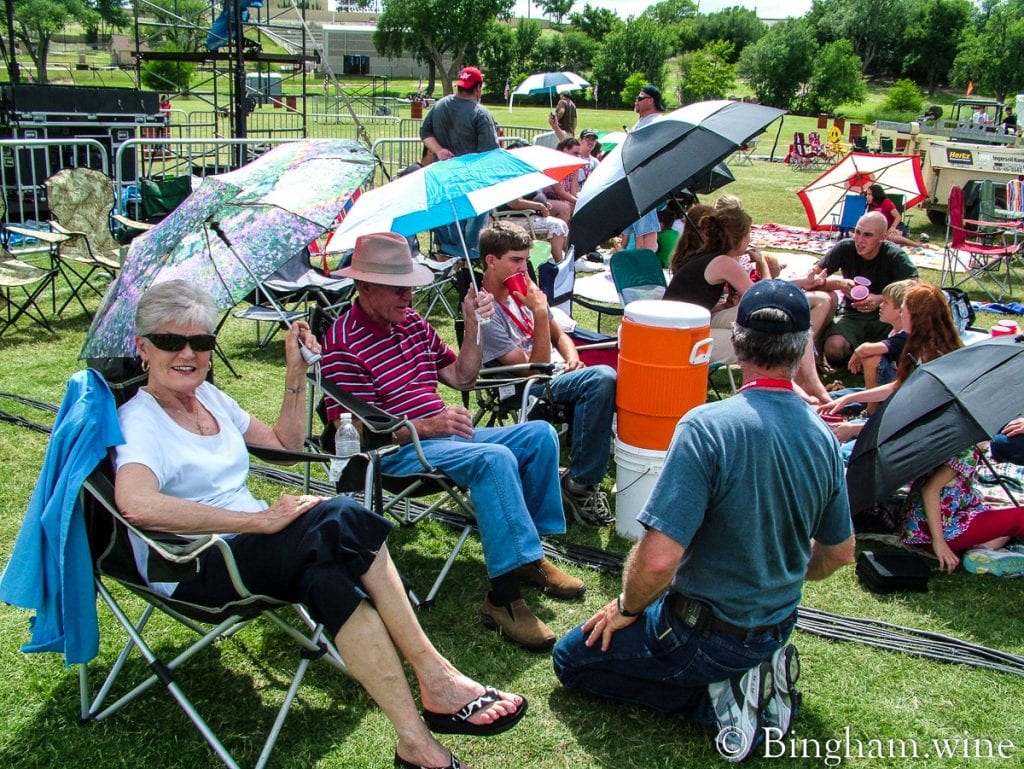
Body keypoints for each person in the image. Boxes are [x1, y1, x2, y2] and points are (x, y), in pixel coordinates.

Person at [113, 280, 526, 769]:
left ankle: (415, 744)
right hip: (194, 563)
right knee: (341, 516)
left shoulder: (210, 399)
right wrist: (257, 521)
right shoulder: (138, 419)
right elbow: (136, 504)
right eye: (170, 342)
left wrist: (295, 372)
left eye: (201, 343)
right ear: (142, 348)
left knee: (327, 577)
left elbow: (286, 446)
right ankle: (436, 676)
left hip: (248, 547)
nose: (188, 354)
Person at [552, 280, 854, 763]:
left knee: (570, 661)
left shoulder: (706, 426)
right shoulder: (823, 437)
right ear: (803, 349)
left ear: (736, 341)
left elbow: (657, 562)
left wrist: (626, 608)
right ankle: (751, 672)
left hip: (704, 633)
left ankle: (716, 701)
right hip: (776, 624)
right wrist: (775, 578)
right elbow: (840, 553)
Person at [320, 233, 584, 652]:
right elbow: (359, 430)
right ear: (364, 286)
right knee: (494, 459)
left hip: (447, 435)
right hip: (398, 451)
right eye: (398, 288)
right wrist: (427, 425)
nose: (409, 297)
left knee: (540, 435)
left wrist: (476, 327)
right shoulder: (342, 344)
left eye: (410, 286)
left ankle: (530, 556)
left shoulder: (412, 324)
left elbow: (461, 376)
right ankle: (502, 599)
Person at [478, 221, 617, 527]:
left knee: (615, 372)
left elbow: (561, 335)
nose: (523, 267)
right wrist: (539, 313)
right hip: (525, 385)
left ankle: (624, 462)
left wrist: (573, 357)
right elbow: (534, 370)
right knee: (603, 378)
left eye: (526, 260)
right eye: (516, 260)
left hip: (559, 373)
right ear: (491, 260)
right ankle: (580, 484)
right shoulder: (486, 311)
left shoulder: (522, 291)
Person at [663, 207, 832, 402]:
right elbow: (764, 296)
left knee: (780, 318)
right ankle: (801, 384)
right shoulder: (724, 263)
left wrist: (803, 283)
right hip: (679, 339)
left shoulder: (709, 257)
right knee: (763, 337)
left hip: (686, 326)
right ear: (739, 237)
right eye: (749, 234)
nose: (750, 239)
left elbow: (691, 300)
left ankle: (802, 383)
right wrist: (762, 263)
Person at [820, 284, 964, 448]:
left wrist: (856, 429)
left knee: (841, 453)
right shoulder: (921, 345)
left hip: (923, 436)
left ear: (917, 317)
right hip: (907, 423)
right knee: (838, 409)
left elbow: (915, 423)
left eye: (903, 311)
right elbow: (899, 386)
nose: (901, 316)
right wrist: (849, 398)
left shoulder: (936, 359)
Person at [799, 211, 918, 368]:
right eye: (857, 232)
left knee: (906, 349)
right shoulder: (845, 248)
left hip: (887, 318)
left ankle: (872, 354)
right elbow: (812, 280)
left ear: (882, 238)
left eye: (867, 235)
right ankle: (859, 354)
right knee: (833, 348)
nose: (859, 240)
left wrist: (880, 299)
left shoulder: (894, 256)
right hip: (852, 314)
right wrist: (838, 284)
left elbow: (916, 285)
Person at [420, 66, 499, 259]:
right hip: (472, 184)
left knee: (447, 227)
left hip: (442, 179)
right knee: (471, 237)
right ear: (478, 88)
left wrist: (439, 150)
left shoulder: (440, 105)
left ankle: (449, 261)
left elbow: (424, 133)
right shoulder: (480, 113)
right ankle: (467, 264)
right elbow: (490, 153)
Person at [844, 278, 917, 411]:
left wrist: (858, 353)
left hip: (903, 389)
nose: (881, 305)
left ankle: (871, 410)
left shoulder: (906, 336)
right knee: (838, 397)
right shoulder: (895, 331)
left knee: (872, 359)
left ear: (900, 311)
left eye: (886, 302)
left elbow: (866, 349)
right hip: (895, 383)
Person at [618, 85, 666, 251]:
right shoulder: (644, 121)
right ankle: (641, 259)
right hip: (637, 181)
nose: (636, 101)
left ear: (650, 101)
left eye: (639, 98)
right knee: (639, 228)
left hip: (648, 181)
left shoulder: (656, 122)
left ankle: (648, 260)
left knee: (647, 227)